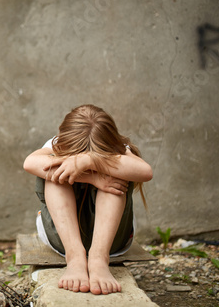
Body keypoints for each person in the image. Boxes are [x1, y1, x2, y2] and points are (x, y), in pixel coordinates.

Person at [23, 104, 153, 295]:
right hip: (61, 239)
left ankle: (99, 260)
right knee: (55, 176)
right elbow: (29, 163)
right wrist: (92, 177)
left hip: (112, 241)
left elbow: (145, 172)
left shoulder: (120, 148)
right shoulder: (55, 144)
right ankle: (75, 259)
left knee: (116, 178)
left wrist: (91, 160)